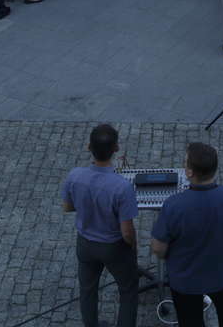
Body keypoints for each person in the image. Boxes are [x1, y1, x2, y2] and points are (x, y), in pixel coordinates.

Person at [150, 143, 223, 327]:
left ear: (190, 173)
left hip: (185, 282)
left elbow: (158, 248)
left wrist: (169, 260)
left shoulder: (174, 205)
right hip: (222, 275)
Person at [61, 124, 139, 327]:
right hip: (114, 246)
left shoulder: (75, 176)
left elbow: (68, 207)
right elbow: (127, 231)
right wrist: (132, 246)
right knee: (128, 290)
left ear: (89, 147)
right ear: (116, 148)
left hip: (85, 244)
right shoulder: (122, 187)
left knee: (87, 290)